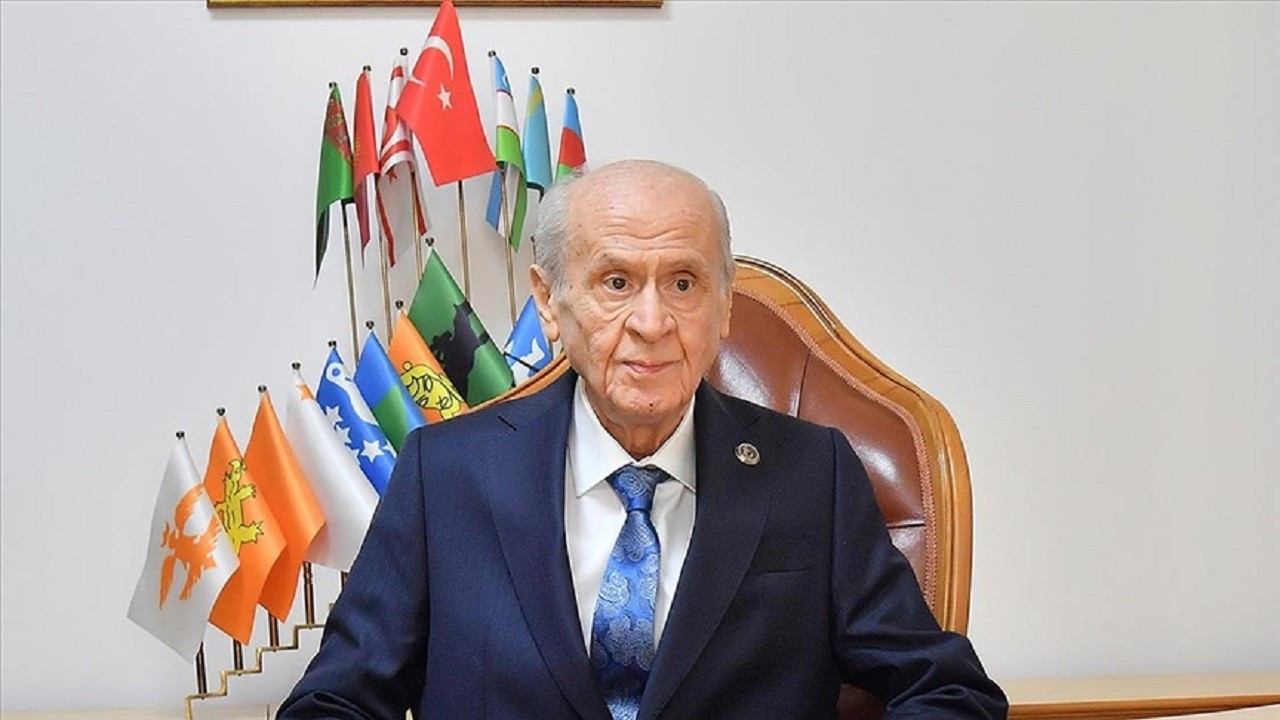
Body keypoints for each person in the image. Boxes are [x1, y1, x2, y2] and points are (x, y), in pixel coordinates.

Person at [278, 160, 1007, 719]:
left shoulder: (813, 476)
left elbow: (948, 691)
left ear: (723, 305)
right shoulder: (444, 476)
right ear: (550, 302)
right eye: (617, 282)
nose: (653, 323)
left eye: (684, 284)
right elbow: (334, 703)